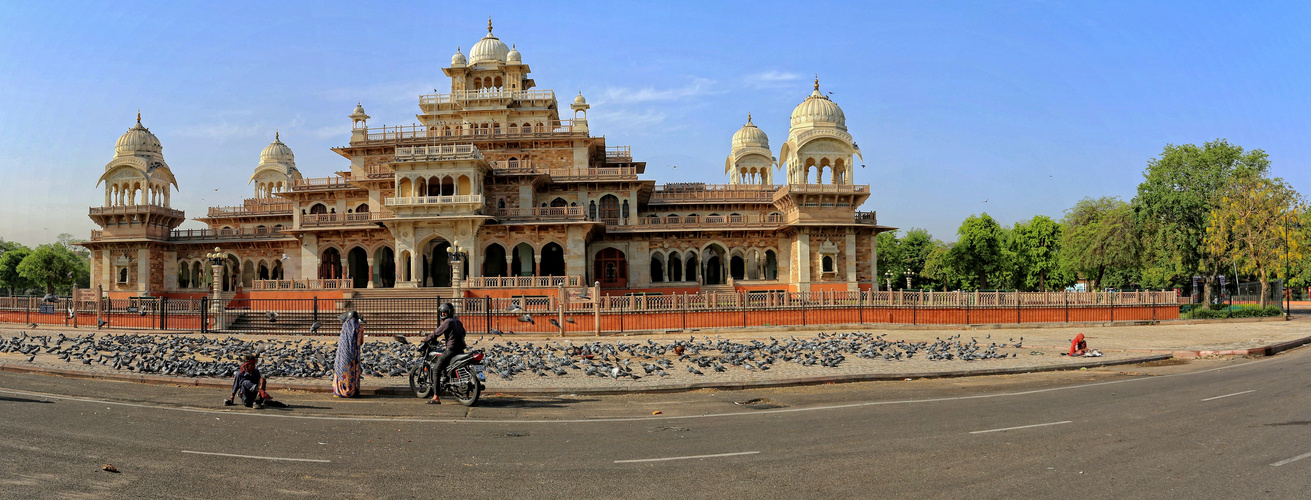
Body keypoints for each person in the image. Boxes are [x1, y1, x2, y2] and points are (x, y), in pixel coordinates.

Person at [423, 302, 466, 404]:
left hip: (451, 349)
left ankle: (436, 397)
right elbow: (463, 333)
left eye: (444, 313)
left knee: (436, 369)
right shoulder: (458, 322)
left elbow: (436, 333)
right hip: (461, 349)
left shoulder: (447, 322)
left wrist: (426, 339)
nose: (443, 314)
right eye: (442, 313)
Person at [333, 311, 365, 397]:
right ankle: (352, 391)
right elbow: (361, 341)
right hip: (354, 355)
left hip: (343, 355)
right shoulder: (359, 328)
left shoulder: (346, 326)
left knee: (343, 372)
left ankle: (342, 391)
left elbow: (342, 341)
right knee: (354, 372)